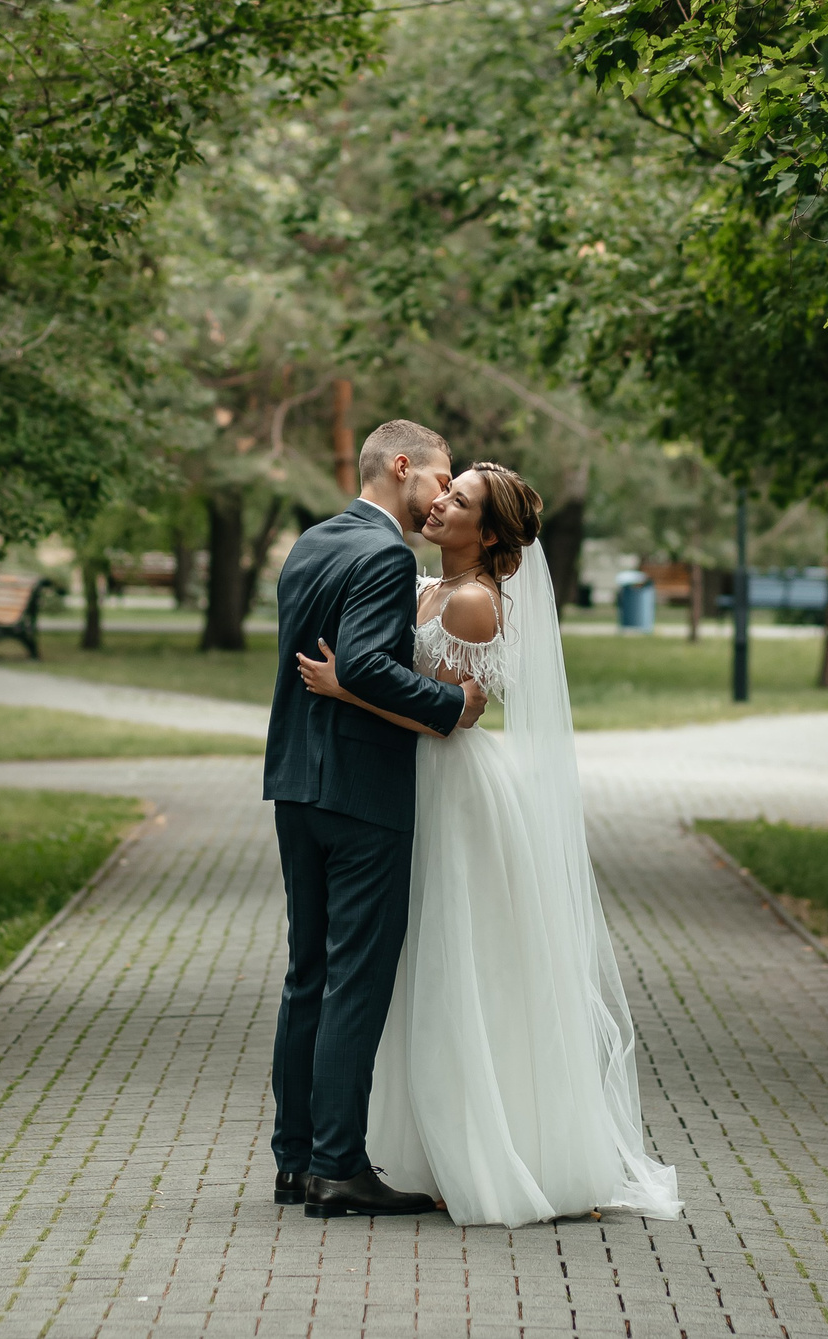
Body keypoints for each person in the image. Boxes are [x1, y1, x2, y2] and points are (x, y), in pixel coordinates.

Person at [295, 461, 681, 1226]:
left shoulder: (472, 603)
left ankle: (486, 1149)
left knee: (457, 962)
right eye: (446, 491)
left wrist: (347, 689)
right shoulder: (421, 588)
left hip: (452, 789)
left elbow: (453, 713)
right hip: (410, 782)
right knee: (416, 968)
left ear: (490, 532)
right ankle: (424, 1146)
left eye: (460, 501)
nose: (439, 503)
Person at [263, 419, 489, 1220]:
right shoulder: (388, 552)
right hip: (362, 790)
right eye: (440, 477)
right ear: (403, 467)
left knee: (307, 976)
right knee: (356, 977)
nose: (440, 497)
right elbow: (360, 662)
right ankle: (338, 1167)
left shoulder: (313, 542)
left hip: (296, 784)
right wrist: (451, 706)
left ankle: (294, 1161)